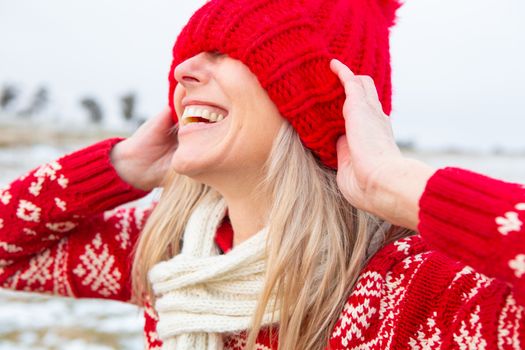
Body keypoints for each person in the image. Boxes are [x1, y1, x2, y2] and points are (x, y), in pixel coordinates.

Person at [0, 0, 524, 349]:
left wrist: (395, 182)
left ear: (316, 101)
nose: (182, 72)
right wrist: (115, 169)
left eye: (224, 53)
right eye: (186, 57)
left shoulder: (411, 292)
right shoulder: (174, 255)